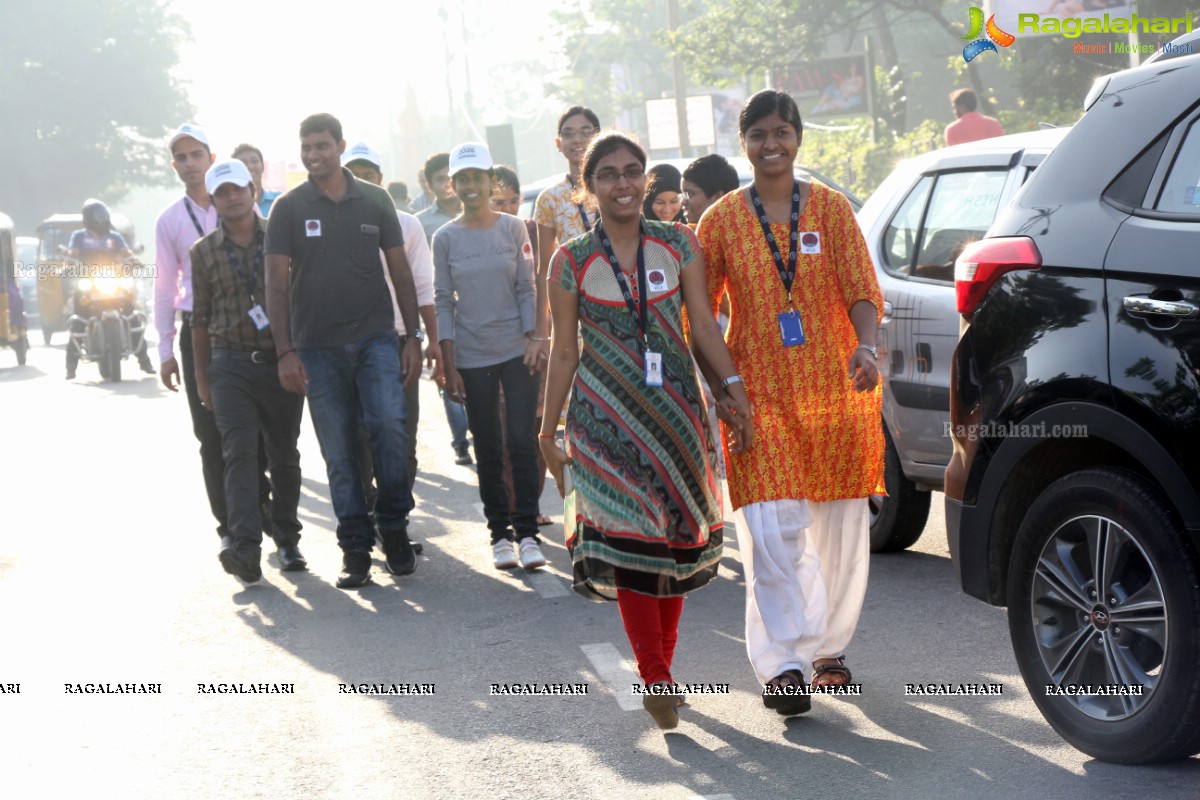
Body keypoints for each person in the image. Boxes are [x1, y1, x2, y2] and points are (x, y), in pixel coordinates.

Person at [539, 131, 753, 730]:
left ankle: (663, 669)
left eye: (633, 171)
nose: (624, 183)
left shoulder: (680, 243)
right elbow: (561, 352)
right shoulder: (570, 260)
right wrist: (546, 429)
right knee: (634, 546)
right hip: (603, 420)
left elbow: (706, 328)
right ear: (589, 185)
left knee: (675, 544)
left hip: (676, 415)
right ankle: (656, 676)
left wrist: (733, 392)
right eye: (608, 174)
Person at [697, 89, 884, 716]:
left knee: (839, 528)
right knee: (772, 527)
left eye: (782, 132)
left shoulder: (831, 210)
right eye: (758, 134)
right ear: (743, 142)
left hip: (835, 388)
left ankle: (827, 649)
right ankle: (783, 662)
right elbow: (702, 312)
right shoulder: (720, 220)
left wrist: (866, 345)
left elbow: (861, 286)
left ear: (798, 137)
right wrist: (723, 385)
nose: (771, 144)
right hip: (757, 395)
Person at [265, 113, 424, 589]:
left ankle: (393, 525)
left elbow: (400, 272)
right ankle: (355, 548)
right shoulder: (288, 208)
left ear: (340, 145)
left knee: (390, 430)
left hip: (377, 337)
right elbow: (275, 285)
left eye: (322, 146)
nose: (314, 156)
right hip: (316, 347)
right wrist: (285, 352)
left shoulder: (375, 200)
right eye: (307, 148)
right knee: (338, 452)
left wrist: (412, 336)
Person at [190, 159, 306, 582]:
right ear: (213, 200)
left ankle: (288, 539)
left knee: (283, 452)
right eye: (222, 192)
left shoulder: (281, 236)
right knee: (237, 453)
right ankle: (245, 549)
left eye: (238, 188)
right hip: (229, 365)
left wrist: (295, 353)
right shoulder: (202, 252)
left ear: (253, 190)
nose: (232, 197)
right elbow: (198, 321)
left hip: (280, 359)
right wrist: (202, 378)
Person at [434, 142, 547, 571]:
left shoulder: (514, 228)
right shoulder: (444, 238)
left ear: (490, 180)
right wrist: (448, 360)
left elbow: (527, 286)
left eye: (477, 178)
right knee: (488, 446)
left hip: (517, 351)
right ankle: (499, 535)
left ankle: (528, 534)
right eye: (462, 179)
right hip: (472, 355)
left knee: (521, 440)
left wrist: (535, 337)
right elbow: (443, 300)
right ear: (453, 185)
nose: (470, 186)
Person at [156, 123, 270, 544]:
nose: (189, 163)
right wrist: (165, 349)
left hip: (251, 331)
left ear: (211, 157)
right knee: (210, 433)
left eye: (196, 155)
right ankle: (229, 527)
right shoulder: (169, 220)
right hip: (200, 332)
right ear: (174, 165)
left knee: (254, 430)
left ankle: (260, 511)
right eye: (181, 158)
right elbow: (165, 285)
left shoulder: (244, 206)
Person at [341, 141, 441, 552]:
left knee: (399, 435)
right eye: (354, 174)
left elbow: (422, 286)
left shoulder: (407, 224)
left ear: (380, 180)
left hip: (399, 341)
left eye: (369, 174)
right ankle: (368, 522)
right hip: (346, 345)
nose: (362, 182)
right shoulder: (332, 224)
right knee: (358, 438)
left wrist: (429, 338)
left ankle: (392, 517)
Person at [490, 164, 551, 528]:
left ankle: (530, 503)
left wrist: (541, 336)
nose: (509, 207)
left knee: (535, 428)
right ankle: (511, 507)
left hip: (535, 343)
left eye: (514, 200)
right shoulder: (473, 235)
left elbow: (544, 286)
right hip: (494, 347)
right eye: (500, 201)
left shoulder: (532, 232)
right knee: (504, 431)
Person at [533, 106, 601, 372]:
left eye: (586, 132)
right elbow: (545, 269)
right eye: (569, 133)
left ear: (599, 136)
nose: (578, 140)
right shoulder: (549, 199)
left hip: (622, 300)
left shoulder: (618, 186)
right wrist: (541, 331)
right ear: (558, 143)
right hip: (574, 307)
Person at [416, 151, 471, 466]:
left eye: (452, 177)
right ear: (430, 185)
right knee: (448, 370)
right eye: (440, 179)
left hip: (477, 307)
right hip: (440, 308)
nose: (448, 184)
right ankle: (460, 439)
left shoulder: (480, 212)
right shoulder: (421, 223)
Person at [65, 199, 154, 378]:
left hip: (113, 281)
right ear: (89, 219)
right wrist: (69, 264)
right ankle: (71, 366)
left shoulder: (114, 237)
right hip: (88, 282)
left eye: (104, 217)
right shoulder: (79, 236)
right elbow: (72, 256)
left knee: (131, 315)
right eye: (98, 218)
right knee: (79, 320)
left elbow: (127, 254)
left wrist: (135, 262)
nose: (102, 222)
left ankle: (144, 360)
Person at [682, 154, 740, 227]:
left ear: (718, 198)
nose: (683, 202)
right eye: (683, 194)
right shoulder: (683, 235)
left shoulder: (742, 234)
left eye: (690, 194)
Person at [231, 143, 281, 216]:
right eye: (243, 163)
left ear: (263, 166)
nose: (250, 166)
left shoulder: (279, 201)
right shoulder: (231, 205)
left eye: (254, 161)